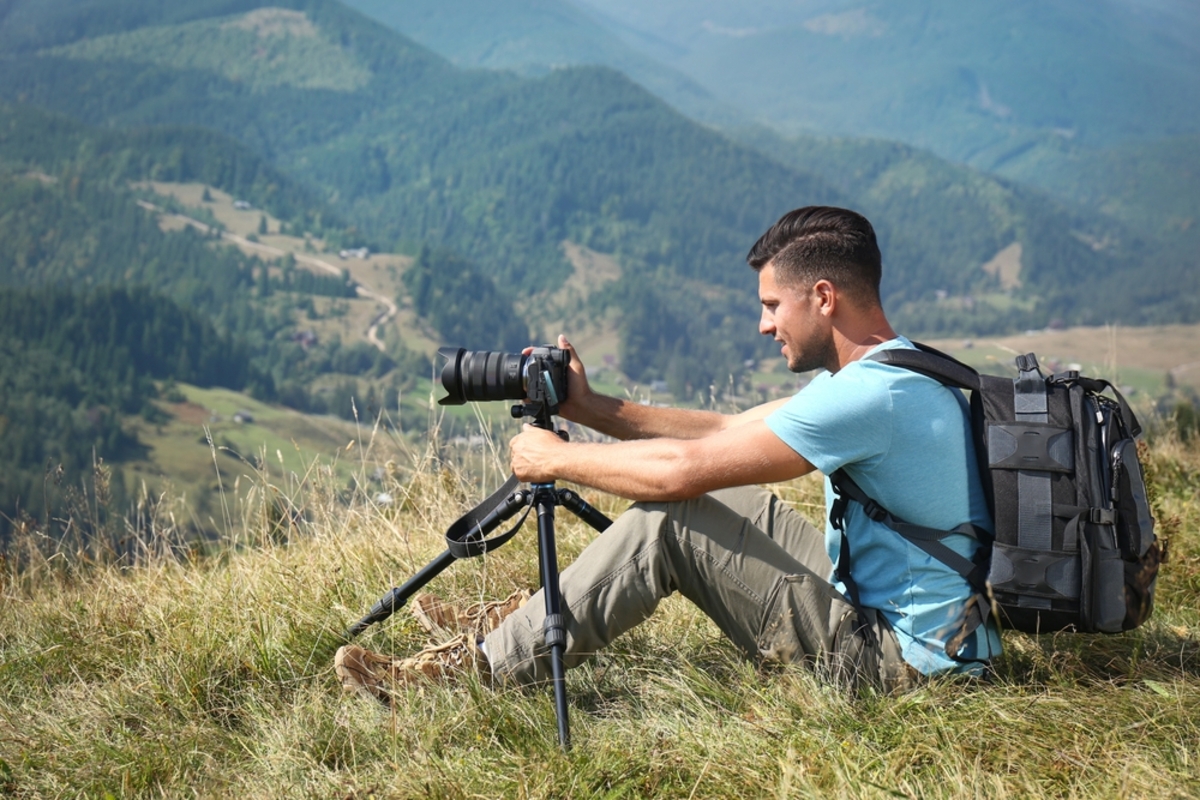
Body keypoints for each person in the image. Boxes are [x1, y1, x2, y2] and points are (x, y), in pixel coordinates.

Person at [335, 206, 1000, 699]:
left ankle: (466, 678)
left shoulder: (865, 399)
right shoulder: (895, 371)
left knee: (671, 516)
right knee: (720, 493)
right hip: (925, 633)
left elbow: (681, 470)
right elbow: (721, 432)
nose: (764, 323)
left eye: (772, 305)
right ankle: (507, 624)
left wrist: (555, 460)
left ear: (823, 298)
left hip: (904, 669)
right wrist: (590, 410)